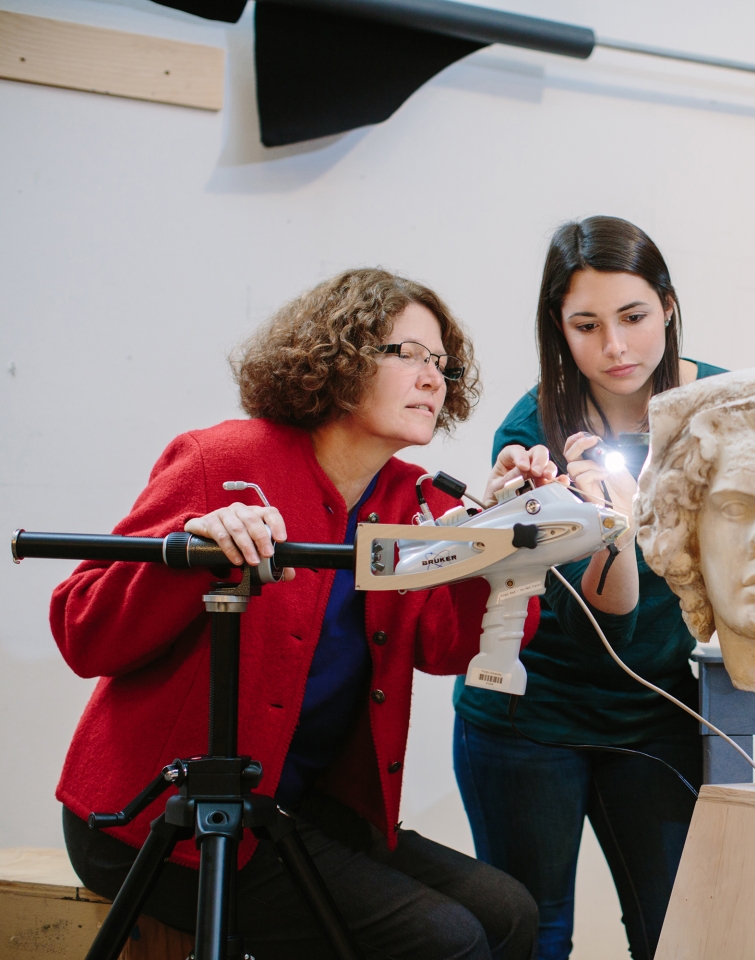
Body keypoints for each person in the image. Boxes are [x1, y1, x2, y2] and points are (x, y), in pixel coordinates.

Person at [54, 268, 541, 960]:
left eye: (442, 362)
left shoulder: (413, 500)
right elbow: (81, 630)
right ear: (338, 355)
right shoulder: (222, 459)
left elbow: (445, 647)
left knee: (510, 913)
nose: (434, 377)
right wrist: (195, 546)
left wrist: (509, 550)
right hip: (155, 822)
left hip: (291, 806)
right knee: (446, 940)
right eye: (408, 353)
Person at [452, 216, 725, 959]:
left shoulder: (726, 411)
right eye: (586, 325)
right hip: (532, 716)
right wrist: (611, 520)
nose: (615, 348)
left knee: (675, 937)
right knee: (533, 937)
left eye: (634, 317)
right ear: (558, 329)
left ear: (668, 305)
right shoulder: (534, 428)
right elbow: (615, 612)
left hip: (661, 712)